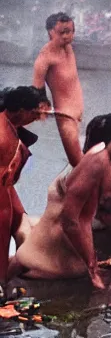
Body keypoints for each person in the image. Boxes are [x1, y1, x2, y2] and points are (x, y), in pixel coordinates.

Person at [11, 114, 111, 288]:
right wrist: (95, 269)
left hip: (32, 255)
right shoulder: (95, 171)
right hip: (56, 266)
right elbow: (103, 222)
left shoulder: (79, 165)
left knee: (27, 223)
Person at [0, 87, 47, 281]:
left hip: (6, 186)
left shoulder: (12, 125)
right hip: (2, 189)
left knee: (22, 225)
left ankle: (12, 272)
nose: (37, 118)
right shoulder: (3, 136)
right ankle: (2, 279)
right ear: (21, 110)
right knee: (3, 232)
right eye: (34, 113)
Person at [32, 12, 84, 167]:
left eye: (71, 32)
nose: (68, 36)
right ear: (50, 32)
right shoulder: (45, 57)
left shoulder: (67, 47)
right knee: (78, 163)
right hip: (66, 116)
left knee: (83, 160)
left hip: (79, 113)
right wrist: (42, 108)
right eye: (63, 32)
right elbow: (36, 88)